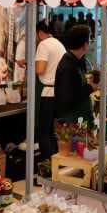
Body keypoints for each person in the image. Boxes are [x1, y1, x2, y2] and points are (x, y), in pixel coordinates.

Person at [17, 22, 66, 161]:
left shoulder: (44, 45)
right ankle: (53, 165)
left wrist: (26, 65)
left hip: (47, 94)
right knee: (52, 132)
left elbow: (40, 70)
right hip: (58, 92)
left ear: (39, 32)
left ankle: (46, 169)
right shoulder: (59, 44)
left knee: (43, 132)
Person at [54, 25, 100, 124]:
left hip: (78, 120)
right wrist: (90, 88)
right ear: (85, 45)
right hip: (71, 123)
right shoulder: (69, 65)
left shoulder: (73, 60)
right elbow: (68, 99)